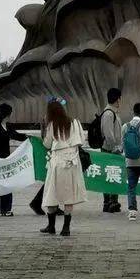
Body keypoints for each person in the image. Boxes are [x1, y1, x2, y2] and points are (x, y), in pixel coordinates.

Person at [40, 98, 87, 237]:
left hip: (57, 162)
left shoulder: (52, 125)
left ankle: (51, 226)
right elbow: (82, 141)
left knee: (52, 193)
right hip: (72, 162)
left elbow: (47, 144)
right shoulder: (75, 122)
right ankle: (66, 228)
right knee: (69, 196)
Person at [100, 87, 123, 213]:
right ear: (117, 99)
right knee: (110, 175)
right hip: (110, 151)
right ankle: (108, 202)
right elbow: (108, 134)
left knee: (114, 175)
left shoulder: (113, 112)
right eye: (120, 98)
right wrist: (115, 148)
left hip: (114, 151)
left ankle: (114, 201)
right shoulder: (109, 113)